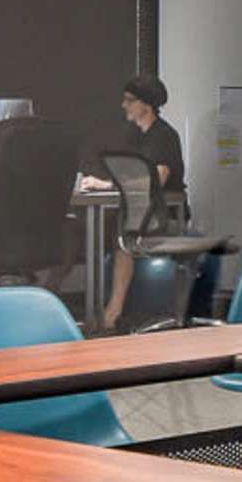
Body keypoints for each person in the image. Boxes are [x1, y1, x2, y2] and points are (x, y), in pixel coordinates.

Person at [91, 74, 189, 330]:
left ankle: (113, 311)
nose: (124, 106)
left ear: (146, 104)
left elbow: (155, 180)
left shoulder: (164, 136)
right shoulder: (136, 136)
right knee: (110, 230)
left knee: (125, 238)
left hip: (164, 214)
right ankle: (104, 311)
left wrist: (109, 185)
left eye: (129, 100)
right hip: (144, 211)